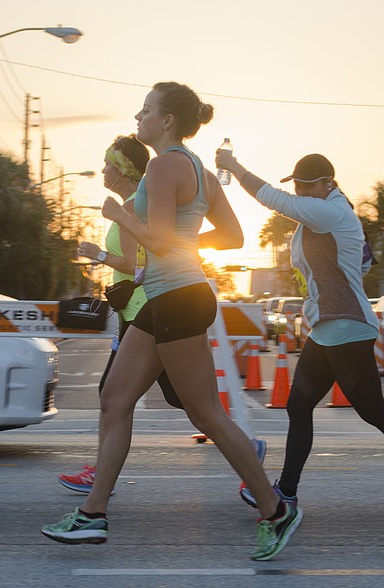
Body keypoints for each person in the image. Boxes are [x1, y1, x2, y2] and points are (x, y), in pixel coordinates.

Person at [41, 82, 302, 562]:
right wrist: (184, 244)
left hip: (178, 298)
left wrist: (121, 214)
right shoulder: (200, 170)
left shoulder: (162, 166)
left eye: (145, 110)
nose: (138, 117)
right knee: (114, 399)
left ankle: (275, 509)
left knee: (205, 413)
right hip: (168, 296)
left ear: (166, 121)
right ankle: (92, 516)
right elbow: (230, 234)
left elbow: (157, 242)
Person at [214, 150, 384, 523]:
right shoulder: (322, 214)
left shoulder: (331, 211)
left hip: (347, 326)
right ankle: (288, 491)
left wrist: (234, 167)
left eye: (307, 184)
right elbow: (356, 261)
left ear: (328, 183)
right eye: (296, 184)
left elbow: (272, 200)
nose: (299, 190)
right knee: (300, 406)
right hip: (329, 326)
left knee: (371, 409)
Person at [59, 134, 183, 495]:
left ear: (124, 169)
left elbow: (130, 263)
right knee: (175, 397)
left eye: (108, 163)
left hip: (144, 313)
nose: (102, 169)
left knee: (115, 394)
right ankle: (101, 474)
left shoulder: (130, 207)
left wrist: (98, 254)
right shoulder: (132, 204)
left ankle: (100, 477)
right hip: (136, 313)